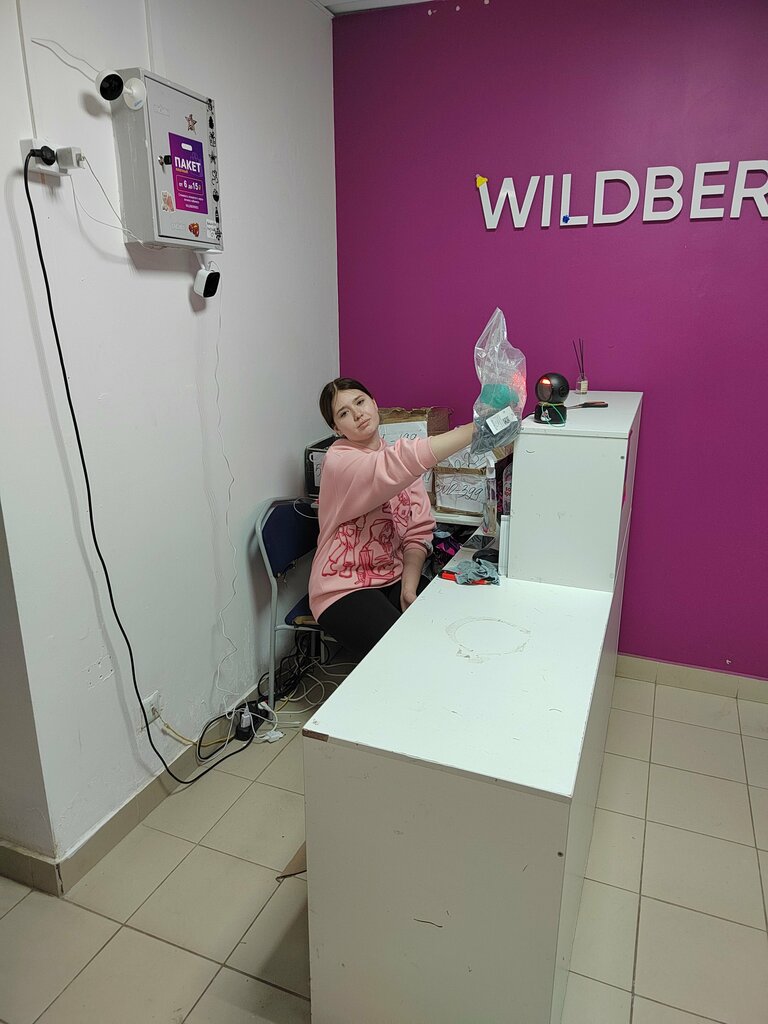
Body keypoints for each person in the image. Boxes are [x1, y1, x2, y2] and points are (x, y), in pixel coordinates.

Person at [309, 377, 474, 659]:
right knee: (404, 656)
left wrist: (409, 587)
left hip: (392, 576)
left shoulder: (396, 462)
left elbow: (418, 531)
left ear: (374, 403)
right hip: (341, 587)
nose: (358, 414)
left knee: (450, 632)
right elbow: (391, 466)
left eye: (360, 402)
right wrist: (476, 429)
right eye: (344, 413)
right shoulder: (339, 461)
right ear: (336, 428)